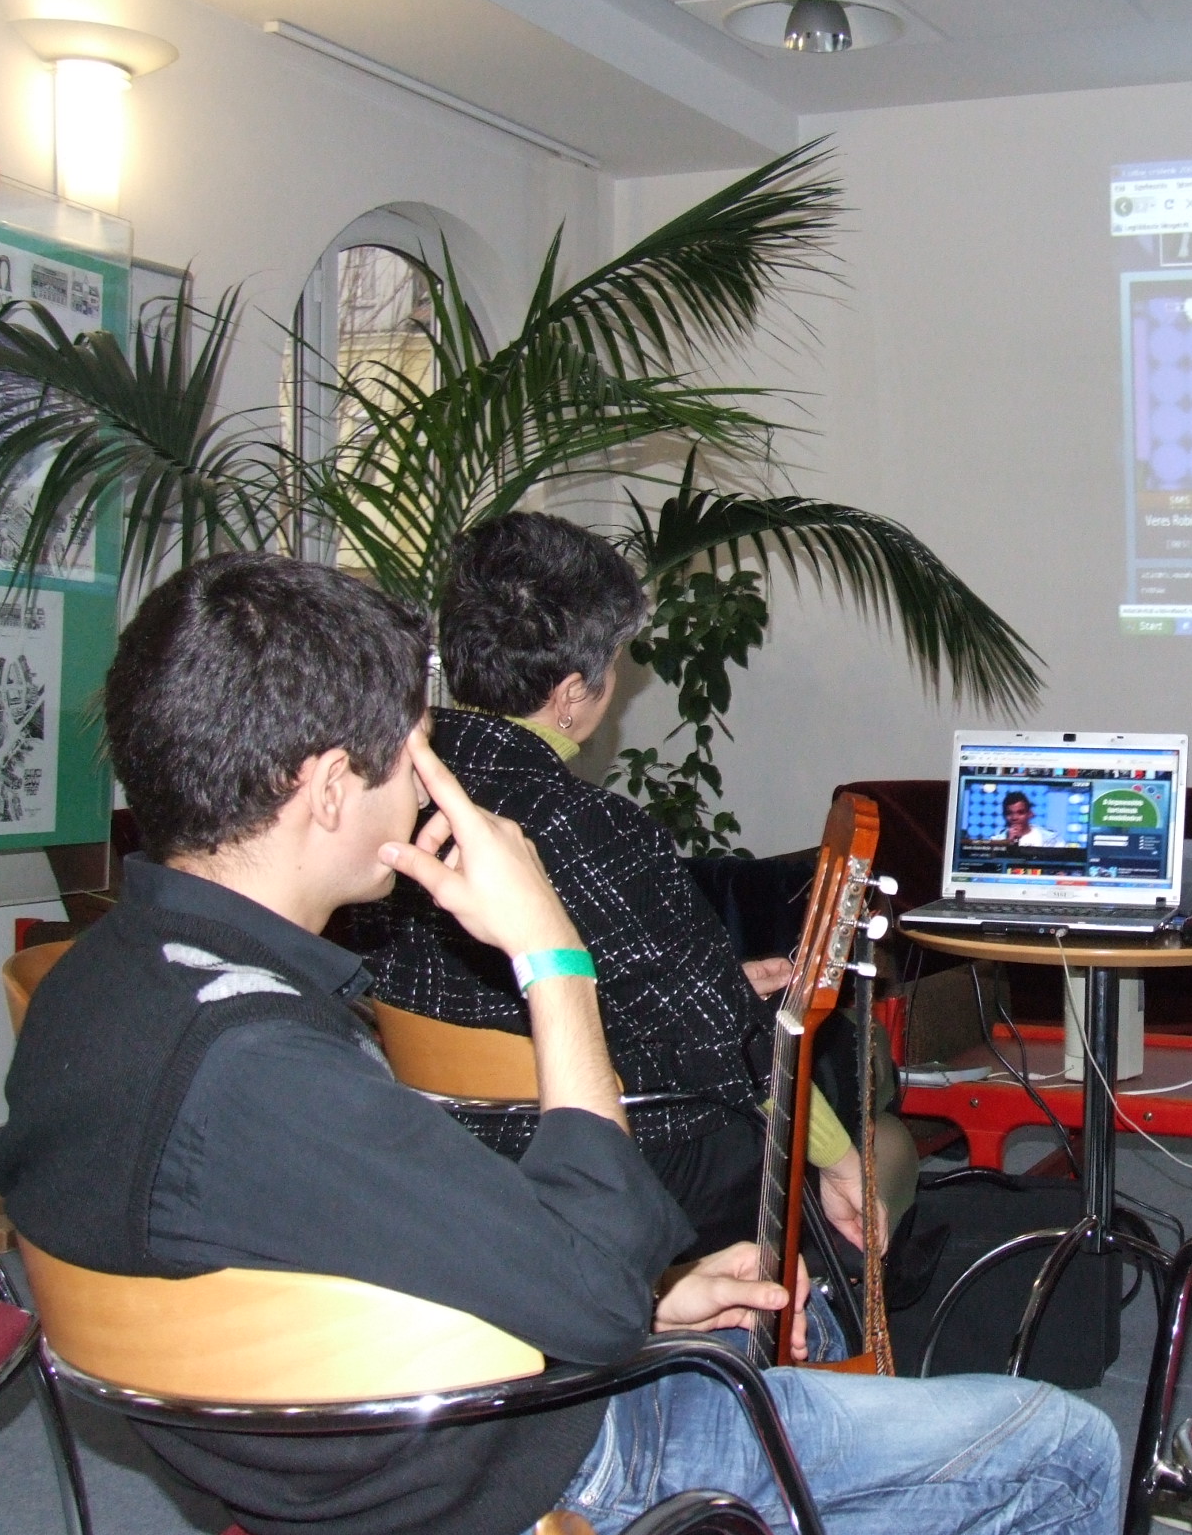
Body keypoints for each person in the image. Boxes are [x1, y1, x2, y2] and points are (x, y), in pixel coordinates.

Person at [0, 553, 1120, 1535]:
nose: (429, 781)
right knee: (1065, 1446)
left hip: (352, 1432)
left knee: (757, 1328)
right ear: (330, 789)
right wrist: (552, 959)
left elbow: (348, 1256)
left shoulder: (89, 991)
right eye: (414, 752)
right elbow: (592, 1295)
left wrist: (651, 1301)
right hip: (512, 1458)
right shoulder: (266, 1070)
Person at [348, 514, 900, 1259]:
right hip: (612, 1159)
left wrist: (709, 981)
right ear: (571, 693)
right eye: (614, 666)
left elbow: (493, 990)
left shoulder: (382, 803)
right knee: (850, 1107)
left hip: (437, 1152)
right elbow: (731, 1050)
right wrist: (835, 1159)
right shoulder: (589, 825)